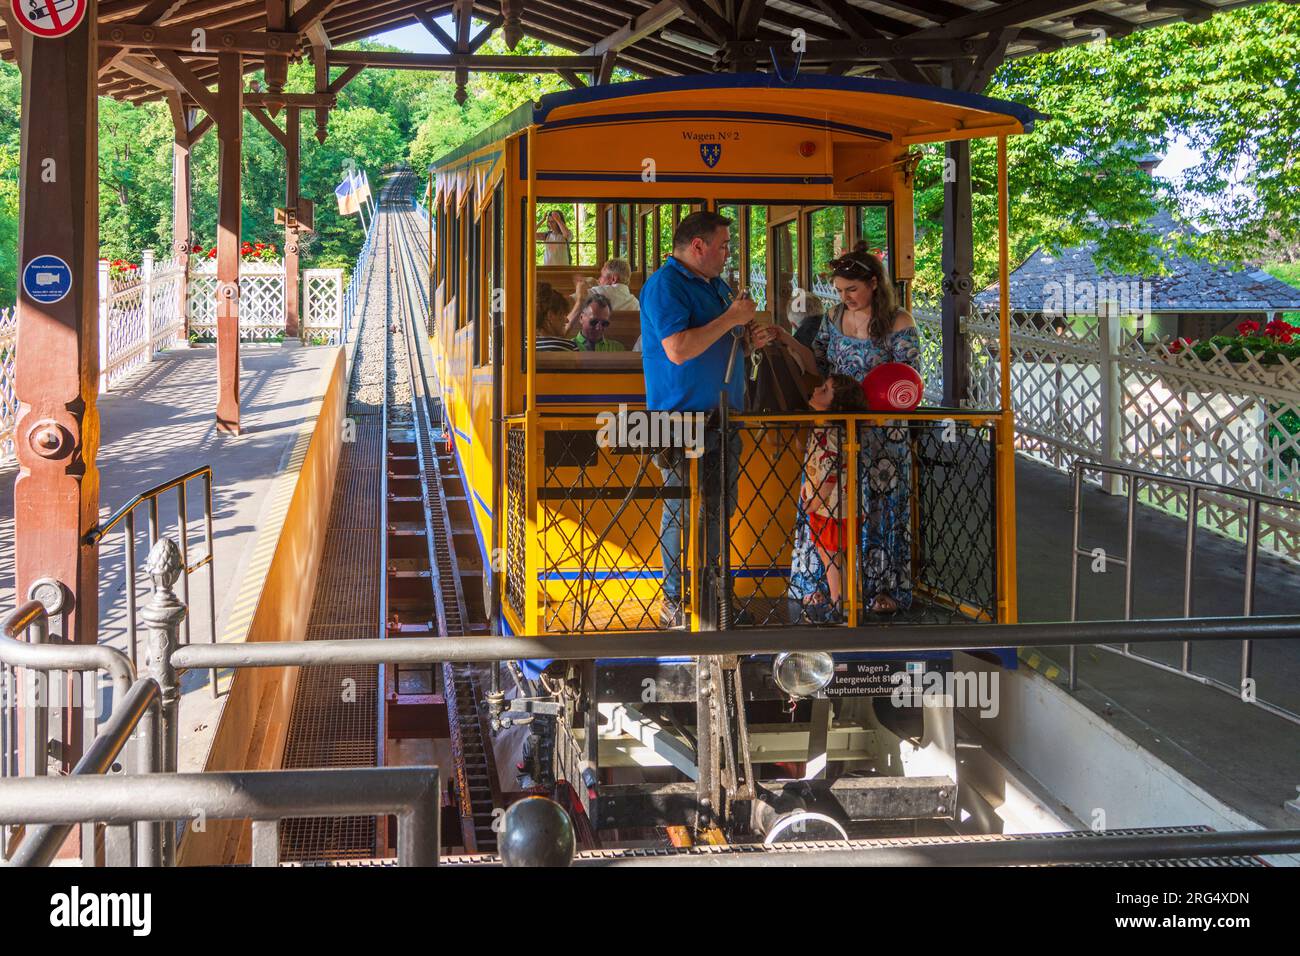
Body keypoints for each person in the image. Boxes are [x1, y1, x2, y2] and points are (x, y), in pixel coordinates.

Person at [640, 210, 777, 628]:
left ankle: (714, 597)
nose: (727, 254)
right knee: (680, 509)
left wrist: (747, 338)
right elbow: (678, 349)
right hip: (677, 418)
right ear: (697, 246)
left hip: (722, 415)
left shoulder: (715, 286)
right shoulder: (665, 286)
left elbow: (723, 343)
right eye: (723, 245)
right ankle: (673, 601)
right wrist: (731, 320)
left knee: (718, 508)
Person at [790, 241, 921, 615]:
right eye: (840, 290)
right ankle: (823, 583)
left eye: (852, 289)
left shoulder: (900, 323)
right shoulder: (832, 318)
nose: (845, 297)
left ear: (874, 285)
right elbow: (815, 362)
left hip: (882, 433)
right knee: (825, 501)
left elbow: (910, 381)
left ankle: (880, 587)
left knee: (879, 505)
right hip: (835, 427)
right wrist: (785, 339)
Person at [800, 374, 869, 621]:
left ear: (836, 406)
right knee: (830, 553)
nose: (818, 389)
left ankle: (839, 604)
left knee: (831, 555)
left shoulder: (830, 434)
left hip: (832, 508)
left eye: (826, 389)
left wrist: (815, 501)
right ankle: (844, 601)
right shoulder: (822, 428)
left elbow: (830, 474)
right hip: (826, 506)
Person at [535, 282, 578, 352]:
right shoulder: (569, 347)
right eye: (562, 314)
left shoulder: (521, 344)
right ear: (550, 316)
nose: (567, 320)